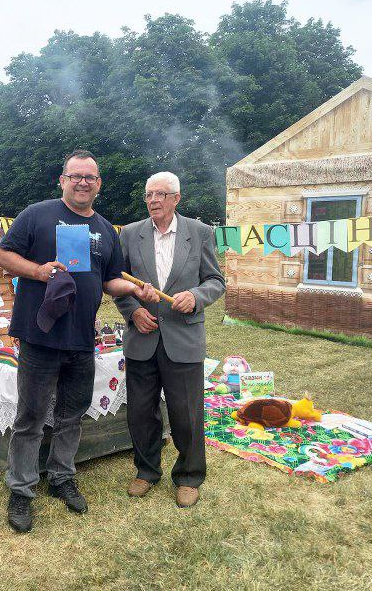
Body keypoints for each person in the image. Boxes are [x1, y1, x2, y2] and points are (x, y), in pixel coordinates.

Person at [0, 149, 158, 533]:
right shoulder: (38, 214)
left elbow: (109, 280)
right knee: (31, 417)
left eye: (90, 177)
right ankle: (21, 489)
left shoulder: (104, 228)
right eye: (76, 176)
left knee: (71, 415)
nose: (83, 182)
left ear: (99, 184)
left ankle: (62, 477)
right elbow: (3, 254)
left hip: (83, 339)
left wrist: (139, 289)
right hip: (40, 336)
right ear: (63, 180)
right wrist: (38, 270)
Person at [114, 172, 225, 508]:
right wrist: (133, 311)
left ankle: (190, 475)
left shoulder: (200, 233)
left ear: (177, 198)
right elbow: (116, 282)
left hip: (184, 337)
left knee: (186, 413)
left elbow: (215, 281)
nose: (154, 201)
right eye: (149, 194)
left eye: (161, 194)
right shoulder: (130, 235)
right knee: (141, 412)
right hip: (142, 338)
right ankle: (146, 471)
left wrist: (195, 295)